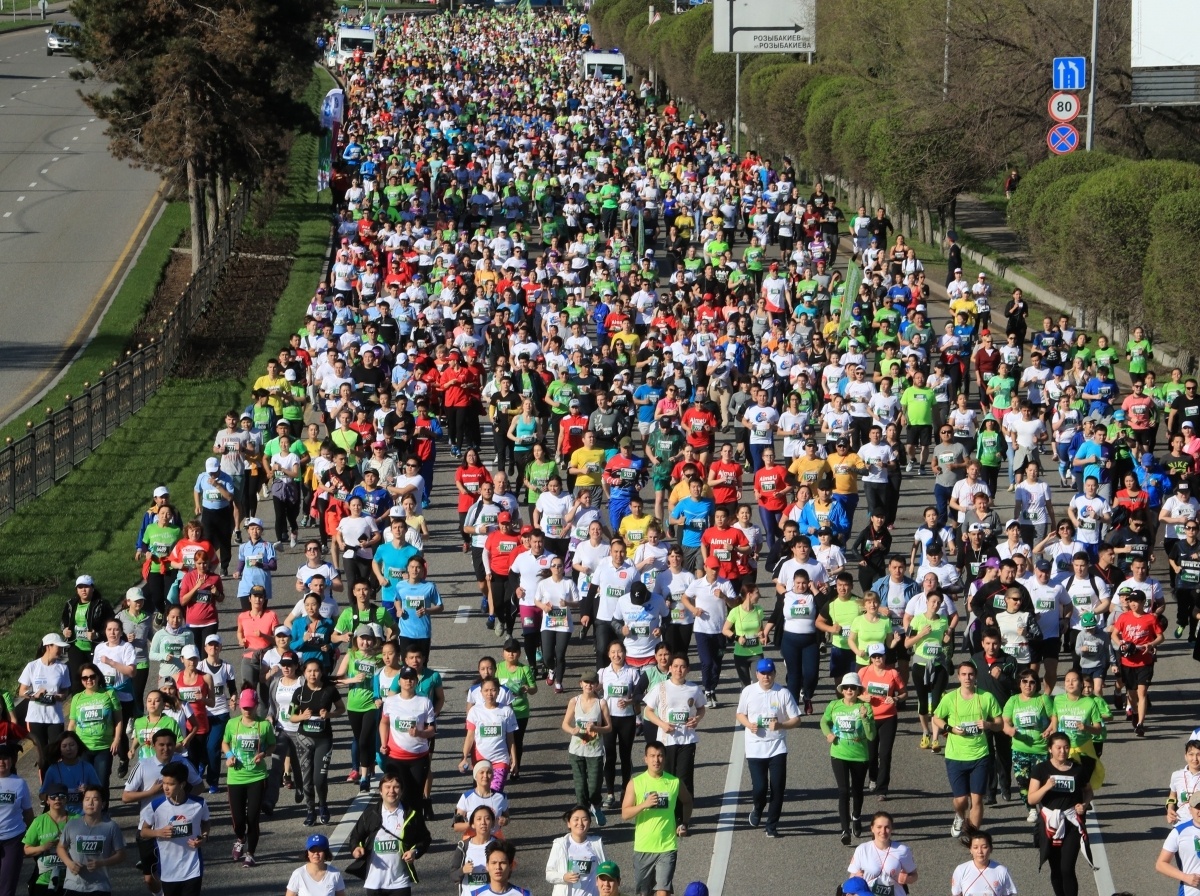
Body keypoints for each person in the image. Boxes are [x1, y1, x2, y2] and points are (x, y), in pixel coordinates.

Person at [932, 661, 1004, 839]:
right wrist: (949, 728)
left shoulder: (986, 697)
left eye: (971, 674)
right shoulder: (950, 698)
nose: (967, 678)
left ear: (976, 676)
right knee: (961, 800)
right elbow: (936, 718)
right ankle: (959, 816)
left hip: (980, 755)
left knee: (977, 799)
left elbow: (1000, 723)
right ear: (958, 677)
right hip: (955, 756)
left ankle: (973, 836)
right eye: (964, 674)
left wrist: (988, 724)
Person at [734, 658, 800, 837]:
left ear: (774, 674)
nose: (766, 677)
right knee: (760, 788)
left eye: (769, 673)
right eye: (763, 673)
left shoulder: (783, 693)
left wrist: (781, 725)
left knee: (778, 788)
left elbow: (796, 719)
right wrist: (749, 724)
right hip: (755, 747)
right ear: (757, 674)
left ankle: (771, 826)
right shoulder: (748, 691)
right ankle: (757, 808)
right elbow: (740, 713)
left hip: (777, 746)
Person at [621, 742, 691, 896]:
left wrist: (684, 823)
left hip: (667, 846)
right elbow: (625, 813)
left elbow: (687, 801)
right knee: (644, 893)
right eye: (652, 756)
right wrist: (644, 805)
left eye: (660, 756)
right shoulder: (635, 783)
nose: (656, 760)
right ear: (645, 759)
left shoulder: (674, 782)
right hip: (643, 847)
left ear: (665, 758)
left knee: (663, 892)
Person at [346, 771, 432, 896]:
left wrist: (415, 851)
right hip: (374, 882)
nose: (391, 791)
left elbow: (425, 838)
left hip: (400, 882)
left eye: (396, 787)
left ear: (401, 791)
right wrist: (356, 848)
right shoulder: (370, 814)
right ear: (381, 791)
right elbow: (356, 836)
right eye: (387, 787)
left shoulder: (411, 815)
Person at [1028, 732, 1093, 896]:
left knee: (1067, 868)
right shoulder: (1041, 769)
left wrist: (1084, 805)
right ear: (1050, 749)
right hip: (1049, 822)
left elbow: (1088, 791)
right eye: (1058, 748)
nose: (1062, 751)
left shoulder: (1077, 770)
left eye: (1065, 747)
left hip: (1071, 822)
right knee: (1055, 869)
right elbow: (1031, 799)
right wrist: (1046, 787)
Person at [139, 760, 209, 896]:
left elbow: (206, 822)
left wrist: (204, 838)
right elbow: (143, 832)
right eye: (164, 783)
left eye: (170, 784)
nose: (165, 787)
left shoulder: (199, 804)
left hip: (192, 869)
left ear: (182, 784)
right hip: (168, 870)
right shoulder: (155, 805)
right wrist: (158, 832)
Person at [821, 672, 877, 845]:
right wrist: (828, 734)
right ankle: (845, 830)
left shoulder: (865, 707)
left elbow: (871, 736)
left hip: (860, 755)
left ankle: (857, 816)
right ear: (842, 690)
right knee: (843, 791)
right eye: (846, 687)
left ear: (858, 690)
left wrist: (865, 718)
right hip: (839, 753)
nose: (849, 690)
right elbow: (824, 721)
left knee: (857, 791)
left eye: (853, 687)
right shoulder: (834, 705)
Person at [223, 688, 275, 867]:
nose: (247, 710)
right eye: (244, 707)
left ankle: (250, 853)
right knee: (238, 820)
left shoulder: (264, 725)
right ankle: (240, 837)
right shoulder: (232, 724)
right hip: (235, 778)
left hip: (257, 776)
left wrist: (263, 754)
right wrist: (229, 755)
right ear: (239, 706)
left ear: (256, 706)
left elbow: (272, 745)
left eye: (250, 707)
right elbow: (225, 742)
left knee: (252, 818)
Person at [290, 658, 345, 826]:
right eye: (309, 671)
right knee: (307, 780)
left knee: (319, 779)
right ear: (304, 673)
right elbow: (291, 717)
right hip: (304, 739)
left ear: (321, 672)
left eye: (315, 671)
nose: (312, 674)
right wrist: (302, 716)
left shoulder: (329, 690)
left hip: (324, 740)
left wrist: (329, 715)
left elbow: (341, 709)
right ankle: (310, 811)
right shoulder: (299, 692)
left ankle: (323, 806)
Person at [642, 654, 706, 799]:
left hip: (687, 740)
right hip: (666, 741)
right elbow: (648, 711)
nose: (679, 670)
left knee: (684, 779)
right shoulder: (661, 687)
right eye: (675, 666)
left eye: (682, 667)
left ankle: (683, 817)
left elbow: (701, 708)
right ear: (670, 668)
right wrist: (662, 724)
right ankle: (668, 811)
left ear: (688, 669)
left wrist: (697, 719)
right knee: (667, 777)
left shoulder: (694, 689)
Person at [378, 666, 436, 811]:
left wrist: (420, 733)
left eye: (411, 679)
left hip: (418, 758)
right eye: (405, 678)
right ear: (399, 681)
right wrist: (383, 743)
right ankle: (397, 828)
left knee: (415, 797)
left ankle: (415, 831)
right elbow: (384, 723)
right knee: (398, 796)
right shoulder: (390, 702)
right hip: (395, 757)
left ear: (416, 681)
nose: (408, 681)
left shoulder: (424, 702)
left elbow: (432, 730)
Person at [1002, 669, 1056, 823]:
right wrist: (1010, 730)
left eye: (1032, 682)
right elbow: (1005, 722)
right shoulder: (1013, 700)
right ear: (1019, 683)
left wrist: (1050, 729)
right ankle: (1031, 808)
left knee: (1041, 782)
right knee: (1023, 782)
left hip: (1040, 749)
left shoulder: (1043, 699)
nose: (1028, 685)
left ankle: (1045, 808)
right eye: (1024, 681)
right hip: (1020, 749)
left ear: (1036, 684)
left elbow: (1054, 718)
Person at [1110, 589, 1164, 736]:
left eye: (1136, 601)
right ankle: (1134, 712)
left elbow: (1160, 637)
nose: (1133, 604)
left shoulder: (1150, 618)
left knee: (1142, 692)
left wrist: (1151, 645)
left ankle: (1140, 723)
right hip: (1127, 661)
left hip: (1145, 661)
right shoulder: (1124, 617)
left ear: (1142, 602)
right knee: (1132, 694)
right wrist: (1120, 643)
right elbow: (1114, 634)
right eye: (1131, 601)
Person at [561, 669, 611, 828]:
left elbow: (609, 727)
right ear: (581, 684)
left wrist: (597, 729)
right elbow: (565, 724)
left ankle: (596, 805)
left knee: (594, 786)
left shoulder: (601, 703)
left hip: (595, 751)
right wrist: (572, 730)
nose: (589, 685)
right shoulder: (574, 701)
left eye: (592, 683)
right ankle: (584, 821)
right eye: (586, 682)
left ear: (597, 685)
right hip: (576, 751)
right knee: (580, 787)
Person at [56, 784, 125, 895]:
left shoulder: (111, 826)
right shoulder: (72, 824)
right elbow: (60, 847)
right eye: (87, 799)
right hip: (73, 885)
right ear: (83, 803)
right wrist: (69, 863)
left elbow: (121, 854)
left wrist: (101, 863)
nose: (90, 803)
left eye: (95, 799)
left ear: (103, 804)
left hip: (100, 886)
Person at [18, 634, 71, 776]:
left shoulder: (62, 668)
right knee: (43, 755)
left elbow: (65, 691)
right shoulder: (32, 666)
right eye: (58, 647)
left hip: (55, 717)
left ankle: (57, 784)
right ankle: (46, 790)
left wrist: (59, 696)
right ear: (48, 647)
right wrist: (34, 695)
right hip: (36, 717)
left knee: (55, 753)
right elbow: (22, 691)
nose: (60, 650)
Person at [857, 643, 905, 799]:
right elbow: (852, 693)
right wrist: (862, 697)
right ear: (870, 658)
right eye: (874, 656)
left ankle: (882, 789)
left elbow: (904, 693)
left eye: (880, 656)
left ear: (885, 656)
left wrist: (896, 698)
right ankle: (873, 777)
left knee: (885, 754)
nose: (878, 659)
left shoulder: (892, 673)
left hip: (888, 717)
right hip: (869, 718)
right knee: (871, 754)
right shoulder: (863, 672)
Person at [460, 677, 518, 793]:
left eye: (493, 690)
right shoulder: (475, 711)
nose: (489, 693)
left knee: (495, 792)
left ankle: (496, 810)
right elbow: (470, 736)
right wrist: (464, 757)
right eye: (486, 690)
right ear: (481, 692)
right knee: (482, 792)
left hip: (500, 759)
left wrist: (514, 760)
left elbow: (510, 738)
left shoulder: (507, 711)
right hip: (480, 759)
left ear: (498, 691)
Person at [847, 811, 918, 896]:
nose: (883, 831)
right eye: (879, 827)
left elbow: (914, 875)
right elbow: (852, 878)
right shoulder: (862, 849)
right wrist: (850, 892)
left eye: (887, 827)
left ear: (891, 829)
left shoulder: (902, 850)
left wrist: (907, 879)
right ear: (872, 828)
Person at [544, 806, 608, 896]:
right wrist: (563, 877)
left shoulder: (596, 844)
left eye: (584, 819)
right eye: (576, 819)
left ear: (589, 823)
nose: (580, 823)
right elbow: (549, 874)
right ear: (569, 823)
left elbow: (606, 872)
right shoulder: (560, 844)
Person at [22, 780, 69, 896]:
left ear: (66, 799)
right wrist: (42, 847)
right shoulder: (39, 821)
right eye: (53, 797)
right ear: (47, 801)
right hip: (43, 879)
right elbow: (26, 850)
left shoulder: (76, 819)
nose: (57, 799)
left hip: (71, 879)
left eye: (61, 796)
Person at [951, 830, 1017, 896]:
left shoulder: (1002, 871)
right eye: (975, 847)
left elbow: (1010, 893)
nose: (980, 851)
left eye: (984, 847)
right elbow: (956, 894)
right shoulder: (961, 870)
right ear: (970, 850)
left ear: (991, 849)